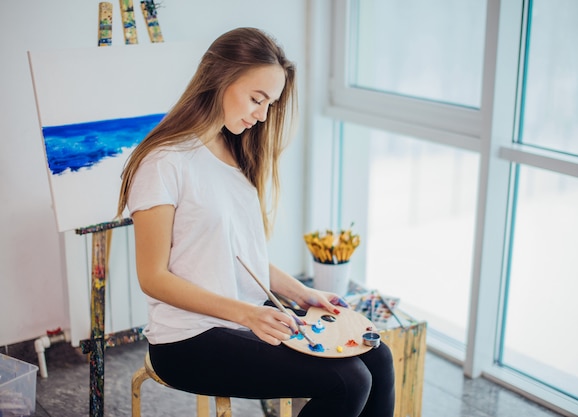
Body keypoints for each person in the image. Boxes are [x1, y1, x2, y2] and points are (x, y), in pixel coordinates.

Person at [116, 27, 395, 417]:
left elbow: (240, 255)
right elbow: (153, 278)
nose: (262, 115)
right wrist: (248, 314)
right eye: (256, 99)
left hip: (245, 316)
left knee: (377, 357)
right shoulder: (164, 162)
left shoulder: (233, 152)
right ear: (219, 77)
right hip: (188, 339)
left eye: (270, 104)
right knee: (350, 381)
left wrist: (303, 293)